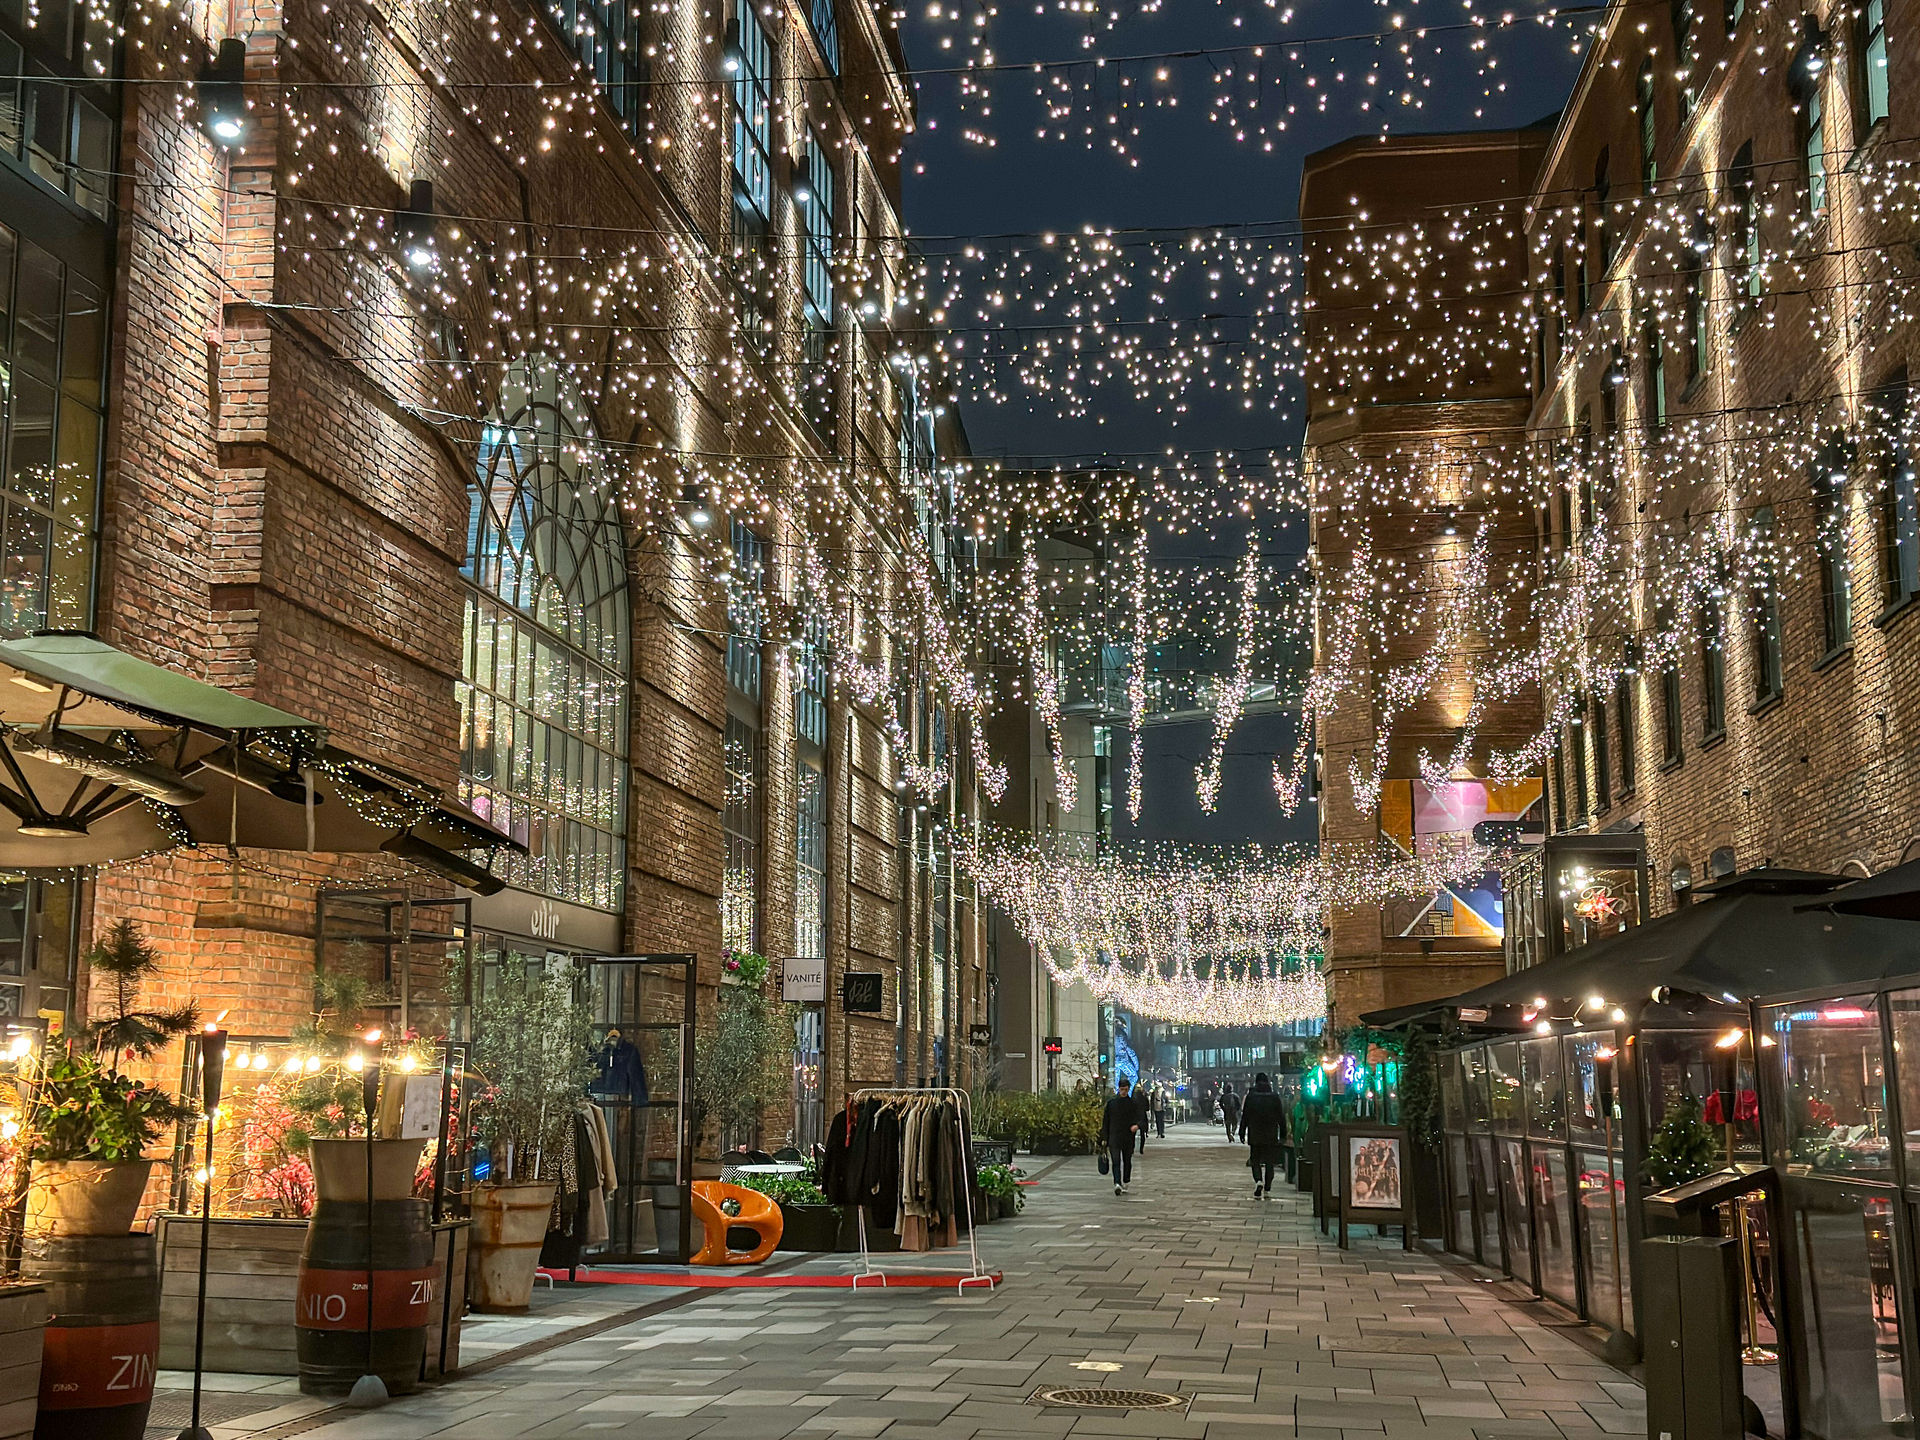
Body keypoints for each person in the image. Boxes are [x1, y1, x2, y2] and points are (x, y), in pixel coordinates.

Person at [1240, 1072, 1288, 1199]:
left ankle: (1258, 1181)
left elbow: (1245, 1116)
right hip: (1271, 1134)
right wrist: (1283, 1134)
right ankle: (1268, 1186)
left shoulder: (1251, 1097)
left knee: (1255, 1160)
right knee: (1269, 1162)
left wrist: (1241, 1132)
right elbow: (1281, 1118)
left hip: (1255, 1133)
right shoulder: (1274, 1097)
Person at [1102, 1078, 1144, 1195]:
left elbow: (1141, 1118)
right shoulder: (1112, 1104)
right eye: (1122, 1089)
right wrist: (1104, 1137)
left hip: (1127, 1136)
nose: (1123, 1092)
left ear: (1128, 1089)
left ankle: (1125, 1180)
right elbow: (1106, 1121)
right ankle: (1117, 1183)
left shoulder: (1133, 1104)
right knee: (1116, 1160)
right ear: (1118, 1089)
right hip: (1114, 1136)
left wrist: (1137, 1125)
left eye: (1125, 1089)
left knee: (1127, 1160)